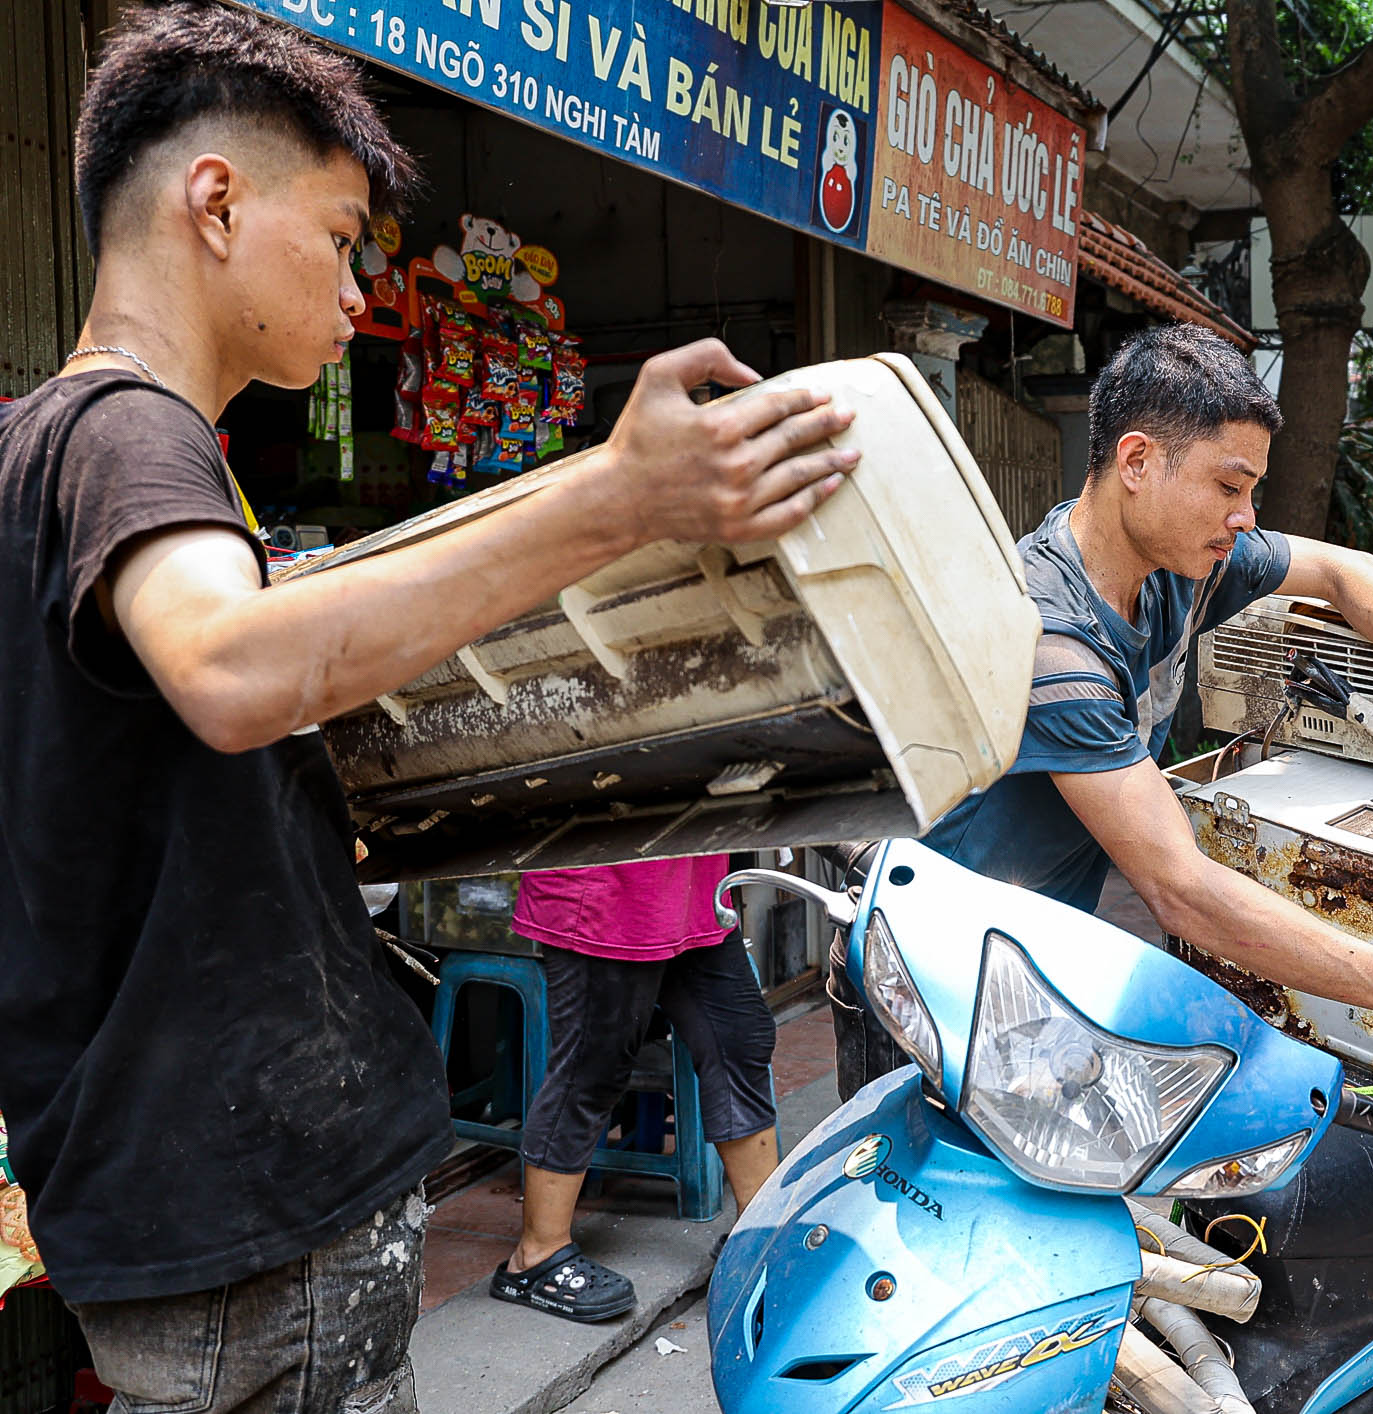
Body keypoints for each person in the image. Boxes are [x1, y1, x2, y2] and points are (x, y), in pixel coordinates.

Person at [0, 6, 854, 1410]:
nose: (356, 295)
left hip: (169, 1196)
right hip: (253, 1210)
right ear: (215, 201)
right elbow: (229, 669)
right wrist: (616, 498)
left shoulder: (37, 447)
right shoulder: (132, 433)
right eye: (341, 238)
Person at [832, 325, 1373, 1100]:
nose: (1246, 516)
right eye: (1229, 488)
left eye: (1250, 491)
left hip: (1025, 967)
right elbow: (1179, 889)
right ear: (1136, 462)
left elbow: (1343, 571)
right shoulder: (1048, 642)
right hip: (924, 984)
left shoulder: (1179, 567)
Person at [492, 856, 777, 1323]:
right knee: (592, 1067)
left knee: (739, 1040)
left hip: (693, 892)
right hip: (605, 895)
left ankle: (759, 1233)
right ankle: (535, 1257)